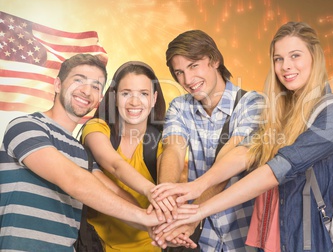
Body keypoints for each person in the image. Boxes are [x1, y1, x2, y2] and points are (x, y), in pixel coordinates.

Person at [152, 22, 333, 252]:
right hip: (269, 239)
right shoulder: (281, 112)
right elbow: (176, 150)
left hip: (307, 240)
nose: (286, 66)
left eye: (295, 55)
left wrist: (196, 204)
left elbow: (269, 166)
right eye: (278, 59)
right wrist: (168, 206)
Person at [0, 54, 196, 251]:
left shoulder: (80, 153)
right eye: (78, 80)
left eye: (95, 86)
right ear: (58, 85)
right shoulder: (26, 126)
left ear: (100, 98)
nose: (87, 90)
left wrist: (157, 226)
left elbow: (112, 192)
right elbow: (75, 180)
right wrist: (148, 207)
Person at [154, 30, 265, 251]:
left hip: (245, 235)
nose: (187, 80)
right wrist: (165, 203)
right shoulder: (180, 106)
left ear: (215, 60)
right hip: (204, 240)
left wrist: (192, 214)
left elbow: (231, 160)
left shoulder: (252, 103)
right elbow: (173, 151)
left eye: (193, 66)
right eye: (179, 72)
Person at [81, 61, 186, 251]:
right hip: (95, 243)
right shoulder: (96, 128)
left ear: (154, 99)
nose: (134, 102)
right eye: (126, 93)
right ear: (114, 97)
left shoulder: (162, 141)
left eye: (143, 94)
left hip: (149, 244)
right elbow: (115, 165)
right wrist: (151, 191)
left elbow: (173, 175)